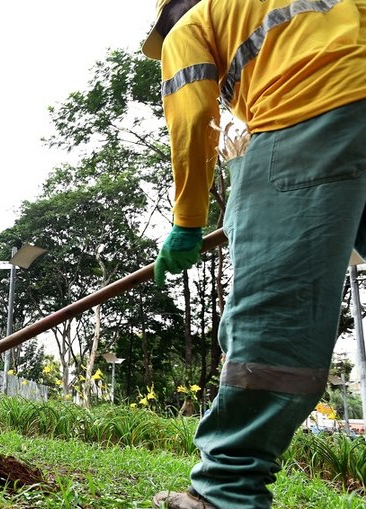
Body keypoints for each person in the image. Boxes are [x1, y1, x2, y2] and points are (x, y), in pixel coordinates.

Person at [144, 0, 366, 507]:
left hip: (306, 112)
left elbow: (191, 119)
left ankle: (225, 493)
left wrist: (186, 223)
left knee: (272, 313)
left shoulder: (188, 27)